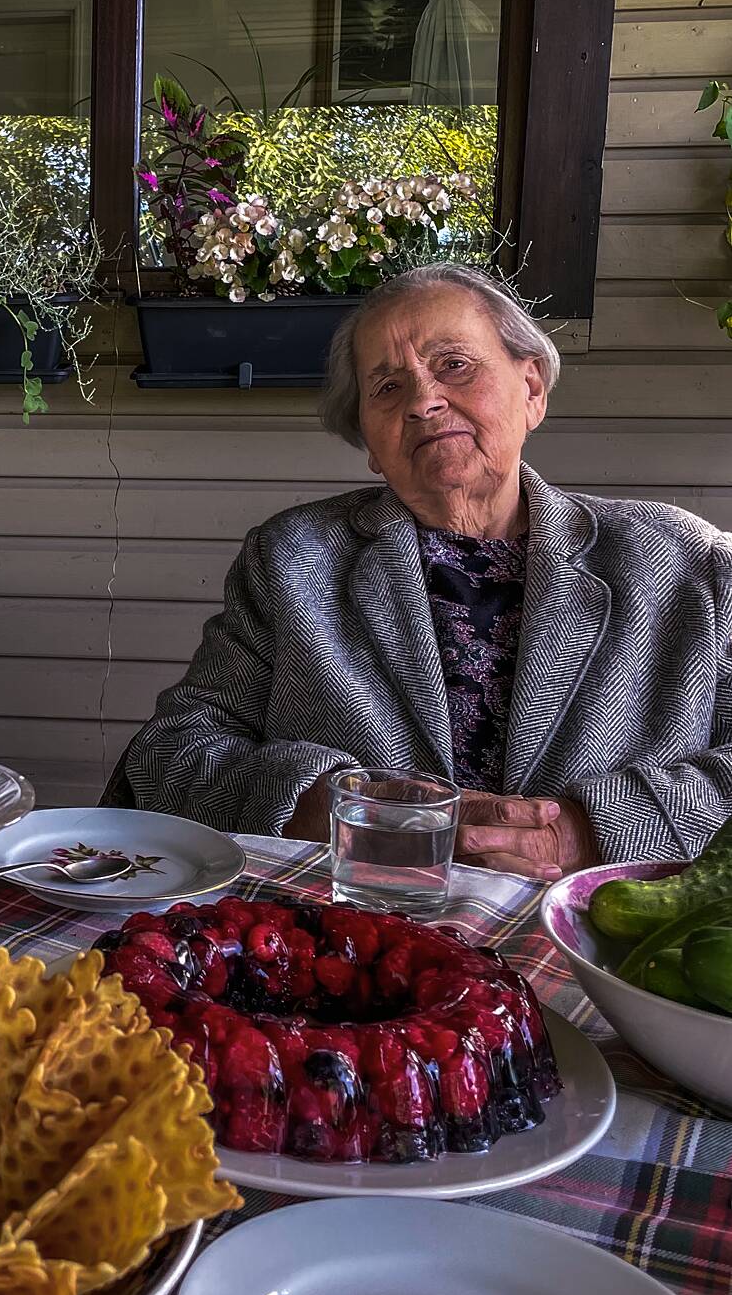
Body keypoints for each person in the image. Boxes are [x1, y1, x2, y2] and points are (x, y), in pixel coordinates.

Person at [118, 263, 732, 880]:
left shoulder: (688, 564)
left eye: (455, 365)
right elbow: (172, 751)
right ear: (369, 443)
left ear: (532, 390)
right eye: (386, 387)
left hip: (593, 951)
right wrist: (328, 804)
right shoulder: (291, 559)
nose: (424, 401)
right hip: (345, 934)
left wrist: (593, 830)